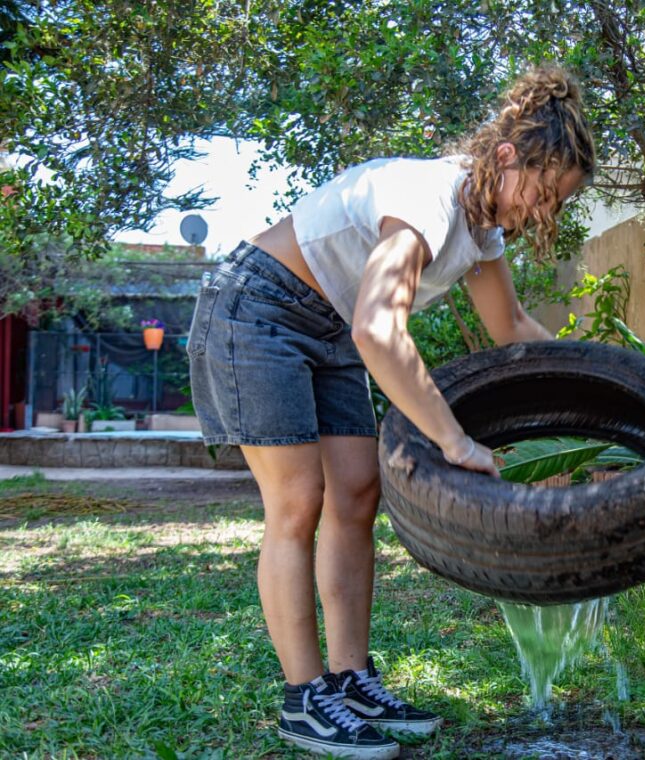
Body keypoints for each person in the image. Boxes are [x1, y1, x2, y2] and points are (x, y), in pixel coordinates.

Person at [187, 65, 595, 759]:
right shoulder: (428, 198)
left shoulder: (481, 230)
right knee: (298, 501)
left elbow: (512, 327)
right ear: (506, 156)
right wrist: (454, 441)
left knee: (356, 493)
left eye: (555, 200)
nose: (541, 211)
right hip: (258, 309)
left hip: (329, 322)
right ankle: (304, 698)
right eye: (542, 191)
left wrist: (595, 383)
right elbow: (379, 329)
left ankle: (350, 679)